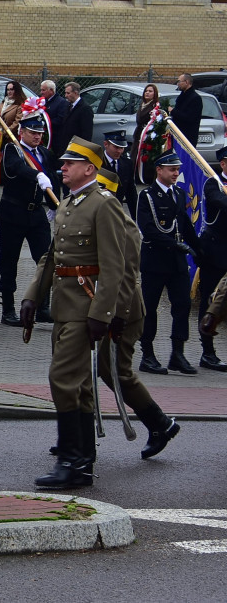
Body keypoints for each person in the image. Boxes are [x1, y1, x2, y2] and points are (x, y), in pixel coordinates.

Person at [22, 136, 125, 490]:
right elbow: (52, 257)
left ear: (89, 169)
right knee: (78, 387)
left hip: (86, 307)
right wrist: (34, 296)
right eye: (63, 162)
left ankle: (70, 460)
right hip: (64, 306)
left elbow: (114, 266)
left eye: (70, 163)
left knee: (62, 379)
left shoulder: (103, 204)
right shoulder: (69, 203)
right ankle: (82, 462)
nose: (62, 167)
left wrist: (103, 313)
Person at [83, 169, 182, 459]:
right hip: (104, 307)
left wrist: (118, 315)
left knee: (116, 370)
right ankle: (76, 433)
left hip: (123, 311)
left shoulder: (121, 225)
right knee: (94, 369)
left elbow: (126, 276)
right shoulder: (94, 217)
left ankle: (160, 423)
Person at [136, 150, 201, 375]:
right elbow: (149, 229)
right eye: (172, 169)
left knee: (182, 305)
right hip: (155, 261)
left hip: (176, 263)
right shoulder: (147, 196)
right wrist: (176, 245)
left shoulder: (180, 194)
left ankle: (177, 354)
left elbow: (185, 226)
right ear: (159, 170)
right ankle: (147, 354)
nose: (176, 173)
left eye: (178, 169)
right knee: (150, 309)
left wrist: (199, 249)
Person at [0, 115, 55, 326]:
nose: (37, 136)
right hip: (13, 213)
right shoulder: (14, 149)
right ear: (22, 132)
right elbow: (16, 168)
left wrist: (56, 206)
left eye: (40, 133)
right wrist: (36, 174)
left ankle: (43, 307)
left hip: (36, 214)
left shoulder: (44, 153)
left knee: (46, 260)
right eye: (33, 132)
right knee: (9, 262)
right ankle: (8, 310)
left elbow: (53, 181)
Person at [197, 146, 227, 371]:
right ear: (223, 164)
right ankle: (207, 352)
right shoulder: (213, 184)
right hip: (215, 252)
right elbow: (221, 202)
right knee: (210, 300)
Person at [101, 130, 137, 219]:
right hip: (100, 211)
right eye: (116, 147)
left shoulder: (127, 163)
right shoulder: (96, 163)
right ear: (106, 144)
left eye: (122, 148)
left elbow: (131, 193)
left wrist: (136, 218)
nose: (120, 151)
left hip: (117, 212)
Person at [171, 73, 202, 147]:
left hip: (188, 136)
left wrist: (173, 111)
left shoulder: (195, 98)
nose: (178, 84)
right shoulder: (182, 96)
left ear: (186, 82)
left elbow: (189, 117)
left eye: (179, 82)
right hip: (178, 134)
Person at [40, 80, 69, 147]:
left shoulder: (62, 103)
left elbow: (60, 119)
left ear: (51, 90)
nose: (41, 92)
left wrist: (45, 123)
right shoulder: (42, 101)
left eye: (43, 90)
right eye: (41, 90)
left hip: (55, 139)